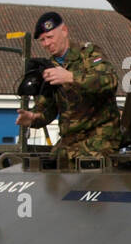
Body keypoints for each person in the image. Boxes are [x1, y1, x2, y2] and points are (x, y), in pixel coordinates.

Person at [15, 11, 123, 157]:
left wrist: (70, 77)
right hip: (69, 142)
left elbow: (110, 81)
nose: (46, 44)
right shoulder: (49, 66)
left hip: (100, 139)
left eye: (49, 37)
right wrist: (33, 118)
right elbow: (48, 108)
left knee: (88, 174)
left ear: (64, 31)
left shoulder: (89, 54)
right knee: (48, 171)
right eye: (42, 40)